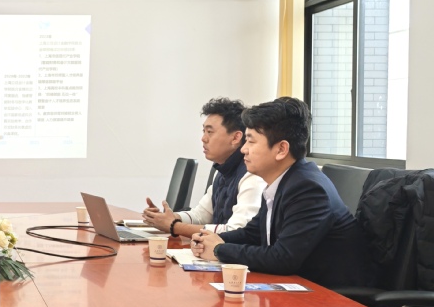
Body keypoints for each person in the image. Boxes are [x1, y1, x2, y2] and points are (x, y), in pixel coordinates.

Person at [191, 97, 377, 288]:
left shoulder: (308, 189)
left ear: (281, 149)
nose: (244, 149)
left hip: (335, 296)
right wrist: (209, 240)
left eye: (251, 141)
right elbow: (253, 233)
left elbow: (283, 258)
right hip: (302, 286)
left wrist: (219, 249)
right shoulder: (282, 181)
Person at [142, 97, 265, 238]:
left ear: (236, 138)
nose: (203, 138)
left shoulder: (252, 174)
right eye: (204, 131)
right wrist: (168, 218)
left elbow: (236, 230)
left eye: (210, 132)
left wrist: (174, 226)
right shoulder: (221, 170)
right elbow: (201, 215)